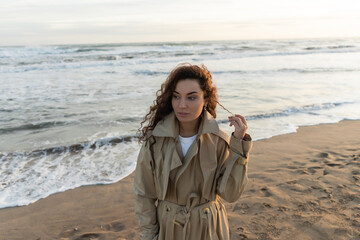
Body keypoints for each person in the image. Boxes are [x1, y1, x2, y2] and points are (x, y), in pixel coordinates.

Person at [134, 63, 253, 240]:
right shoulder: (155, 141)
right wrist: (149, 235)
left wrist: (238, 147)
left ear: (205, 99)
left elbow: (230, 194)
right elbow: (144, 195)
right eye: (176, 96)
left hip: (209, 228)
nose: (182, 105)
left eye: (191, 98)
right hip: (168, 229)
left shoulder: (219, 141)